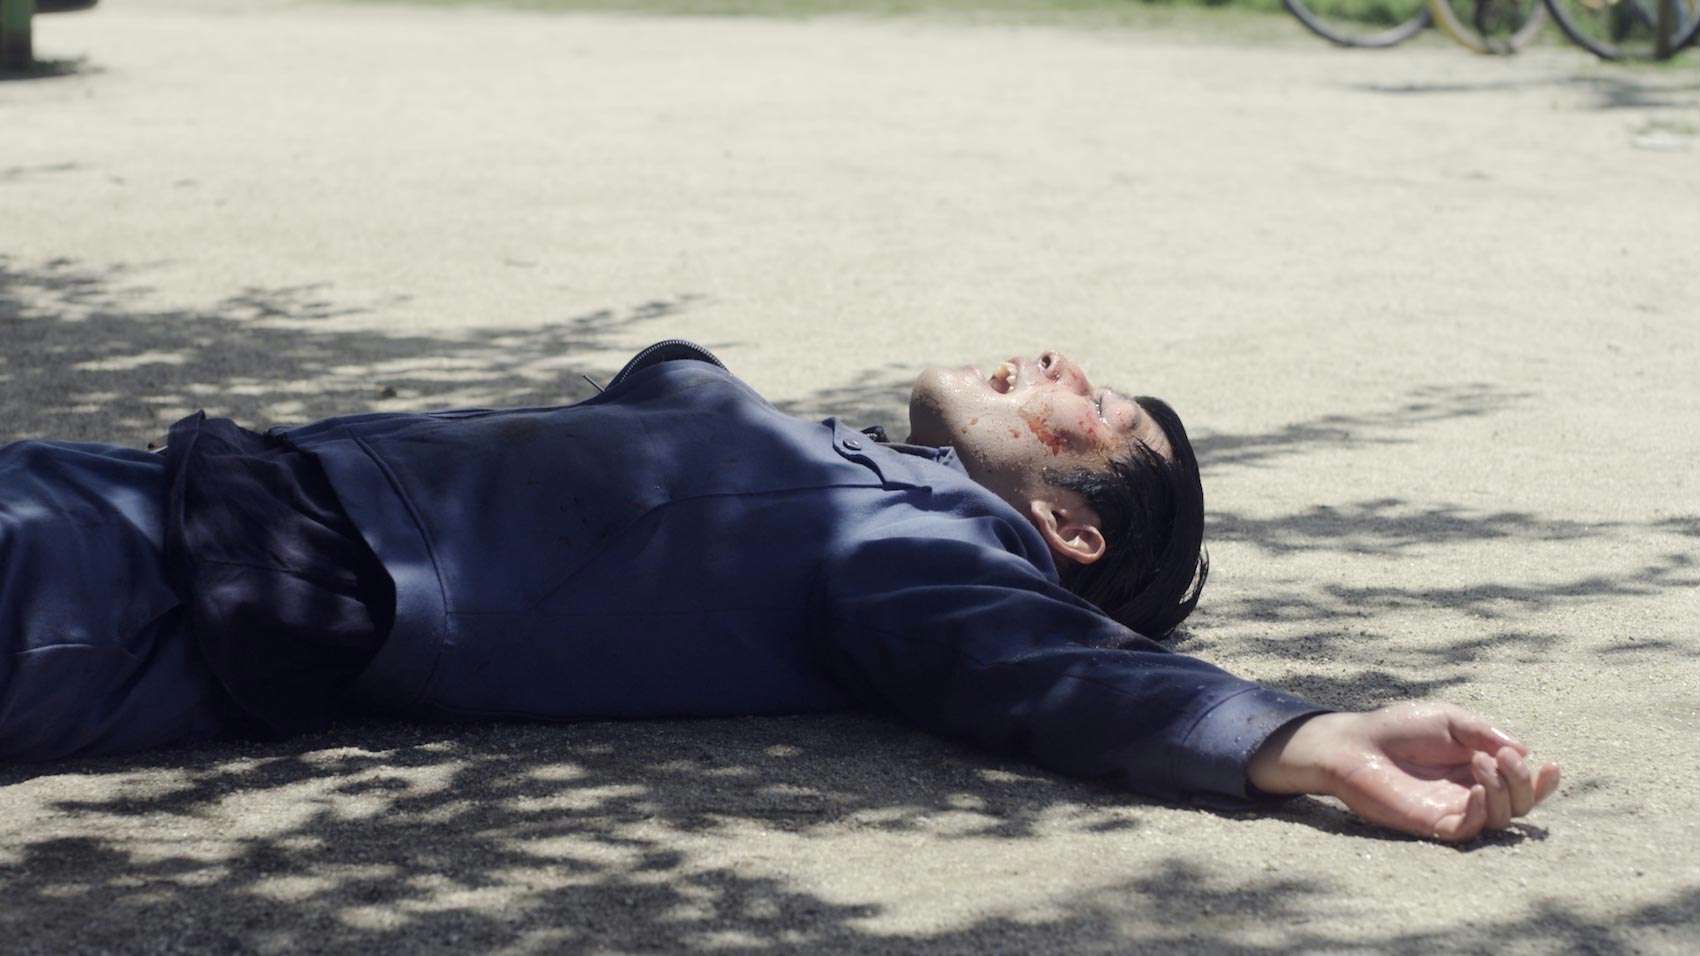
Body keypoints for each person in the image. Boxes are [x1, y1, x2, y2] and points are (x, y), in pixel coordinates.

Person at [0, 340, 1558, 841]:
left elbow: (1060, 678)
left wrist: (1301, 737)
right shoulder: (868, 475)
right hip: (161, 494)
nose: (1058, 363)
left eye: (1092, 408)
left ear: (1070, 533)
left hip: (162, 588)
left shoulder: (943, 560)